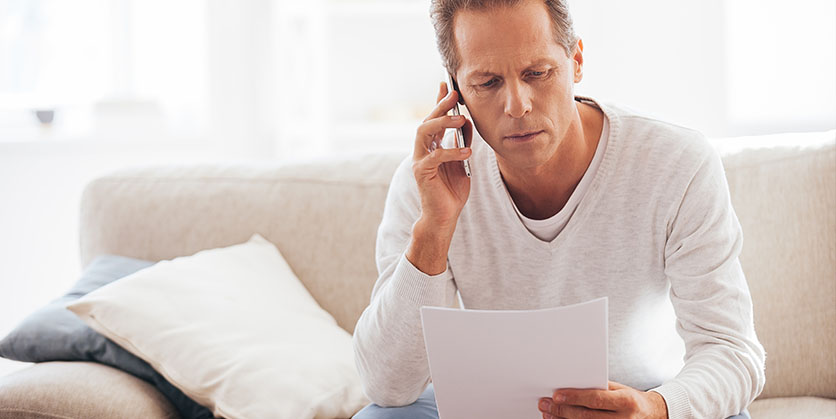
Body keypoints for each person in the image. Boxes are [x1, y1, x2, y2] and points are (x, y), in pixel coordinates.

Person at [352, 0, 766, 418]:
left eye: (537, 73)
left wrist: (656, 408)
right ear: (455, 91)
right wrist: (434, 230)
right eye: (488, 82)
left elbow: (732, 350)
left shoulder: (677, 163)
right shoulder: (432, 179)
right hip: (493, 407)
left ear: (576, 62)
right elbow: (388, 386)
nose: (518, 105)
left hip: (637, 400)